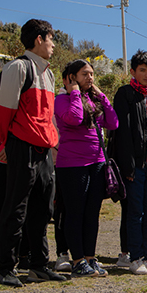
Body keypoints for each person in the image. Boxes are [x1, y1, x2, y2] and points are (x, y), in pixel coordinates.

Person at [0, 19, 65, 287]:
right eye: (51, 38)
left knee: (43, 208)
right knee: (16, 207)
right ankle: (5, 267)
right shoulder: (18, 68)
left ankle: (38, 265)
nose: (54, 44)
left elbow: (47, 116)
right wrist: (7, 144)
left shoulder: (48, 73)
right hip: (21, 145)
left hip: (45, 148)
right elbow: (3, 112)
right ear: (39, 39)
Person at [55, 59, 119, 276]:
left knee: (92, 212)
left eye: (91, 74)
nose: (90, 78)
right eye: (84, 74)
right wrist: (74, 92)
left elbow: (113, 123)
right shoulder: (62, 99)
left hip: (97, 162)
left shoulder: (94, 101)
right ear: (71, 78)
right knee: (75, 212)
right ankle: (77, 260)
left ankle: (91, 258)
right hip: (72, 164)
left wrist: (102, 96)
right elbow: (74, 118)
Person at [111, 50, 147, 275]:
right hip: (135, 165)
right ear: (133, 71)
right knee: (134, 212)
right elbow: (122, 133)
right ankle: (134, 257)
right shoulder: (124, 94)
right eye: (143, 70)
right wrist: (127, 165)